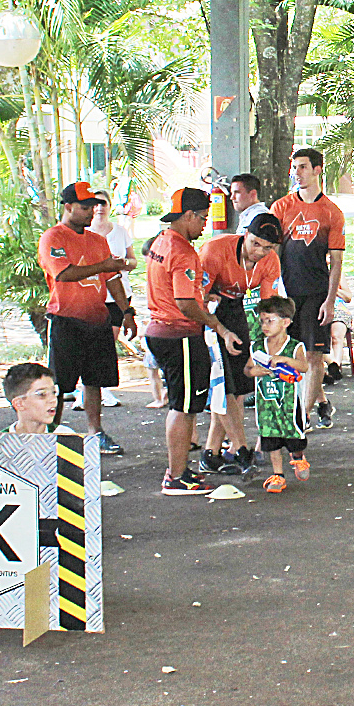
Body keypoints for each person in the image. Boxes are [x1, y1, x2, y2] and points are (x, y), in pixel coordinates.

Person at [146, 187, 244, 495]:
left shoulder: (160, 242)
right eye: (202, 218)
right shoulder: (183, 251)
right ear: (188, 215)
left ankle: (179, 471)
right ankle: (176, 476)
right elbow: (186, 302)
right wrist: (217, 326)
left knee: (183, 403)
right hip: (180, 333)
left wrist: (203, 296)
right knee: (184, 406)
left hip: (161, 329)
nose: (204, 225)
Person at [36, 181, 132, 455]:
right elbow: (64, 274)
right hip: (66, 319)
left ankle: (95, 432)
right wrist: (104, 265)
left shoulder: (97, 241)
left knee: (95, 380)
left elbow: (112, 279)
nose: (92, 212)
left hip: (98, 319)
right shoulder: (53, 237)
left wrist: (126, 312)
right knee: (58, 384)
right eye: (85, 207)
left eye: (94, 206)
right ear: (68, 207)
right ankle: (48, 433)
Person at [269, 146, 347, 429]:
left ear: (317, 170)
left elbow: (336, 262)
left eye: (303, 167)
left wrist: (330, 301)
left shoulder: (331, 212)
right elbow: (272, 253)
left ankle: (301, 416)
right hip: (287, 293)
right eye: (295, 167)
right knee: (292, 355)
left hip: (316, 292)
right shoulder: (281, 207)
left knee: (314, 356)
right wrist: (272, 291)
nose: (297, 173)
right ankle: (322, 401)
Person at [197, 217, 282, 475]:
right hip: (207, 310)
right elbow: (197, 299)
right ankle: (242, 449)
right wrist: (219, 330)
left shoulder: (270, 262)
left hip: (236, 309)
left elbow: (269, 309)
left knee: (236, 384)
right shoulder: (214, 250)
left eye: (267, 248)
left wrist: (267, 349)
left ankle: (211, 453)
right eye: (255, 244)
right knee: (223, 386)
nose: (259, 252)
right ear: (245, 234)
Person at [245, 296, 309, 493]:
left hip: (289, 405)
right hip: (266, 404)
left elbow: (304, 367)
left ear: (286, 322)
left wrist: (285, 361)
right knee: (270, 438)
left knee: (294, 438)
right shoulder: (256, 346)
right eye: (262, 320)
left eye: (270, 321)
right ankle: (277, 474)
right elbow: (248, 369)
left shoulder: (294, 346)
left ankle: (298, 458)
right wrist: (253, 371)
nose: (265, 325)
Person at [87, 192, 137, 407]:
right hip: (93, 295)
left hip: (119, 293)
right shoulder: (84, 233)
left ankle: (102, 389)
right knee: (93, 343)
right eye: (95, 204)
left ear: (110, 206)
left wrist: (122, 263)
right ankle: (88, 390)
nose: (99, 208)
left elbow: (134, 261)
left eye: (103, 204)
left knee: (109, 341)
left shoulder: (120, 231)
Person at [2, 362, 59, 435]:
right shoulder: (0, 442)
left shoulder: (65, 437)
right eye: (42, 394)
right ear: (19, 404)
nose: (53, 400)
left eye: (54, 392)